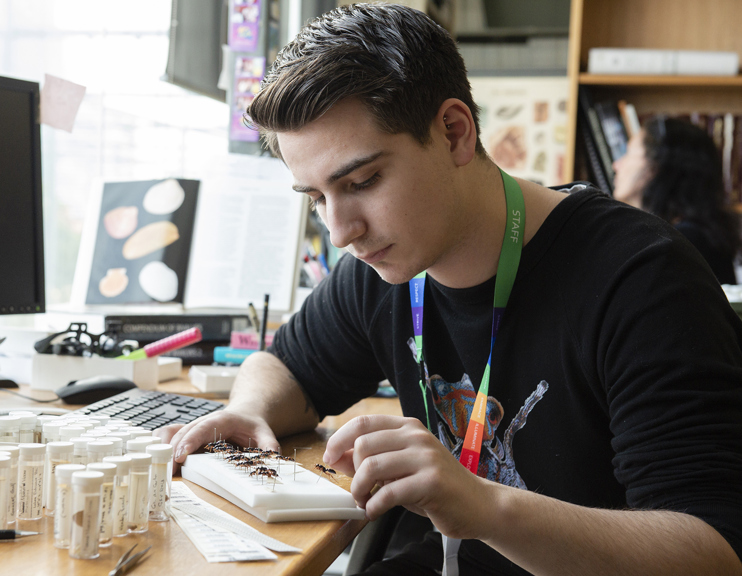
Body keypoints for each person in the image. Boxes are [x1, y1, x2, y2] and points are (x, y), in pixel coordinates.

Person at [156, 4, 742, 575]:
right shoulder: (381, 268)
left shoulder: (642, 280)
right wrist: (247, 410)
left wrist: (485, 507)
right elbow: (286, 365)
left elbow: (712, 551)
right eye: (315, 198)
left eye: (361, 181)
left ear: (455, 132)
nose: (339, 231)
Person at [613, 116, 740, 284]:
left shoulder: (681, 244)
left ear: (655, 166)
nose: (616, 164)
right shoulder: (692, 236)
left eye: (628, 153)